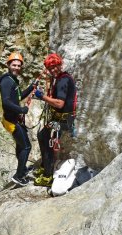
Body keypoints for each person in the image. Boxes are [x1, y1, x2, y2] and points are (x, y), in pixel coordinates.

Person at [33, 53, 77, 187]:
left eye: (55, 66)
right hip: (59, 118)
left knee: (47, 141)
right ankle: (44, 165)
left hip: (62, 120)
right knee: (42, 136)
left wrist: (42, 97)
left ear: (59, 65)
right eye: (50, 68)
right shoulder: (60, 78)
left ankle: (47, 176)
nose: (53, 70)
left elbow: (59, 104)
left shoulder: (63, 80)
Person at [0, 52, 35, 186]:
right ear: (8, 65)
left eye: (19, 65)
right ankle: (19, 175)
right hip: (11, 121)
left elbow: (17, 97)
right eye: (14, 65)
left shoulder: (12, 80)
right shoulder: (7, 82)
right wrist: (21, 110)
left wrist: (31, 88)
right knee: (26, 147)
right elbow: (6, 102)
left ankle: (22, 169)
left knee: (21, 145)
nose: (16, 67)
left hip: (11, 119)